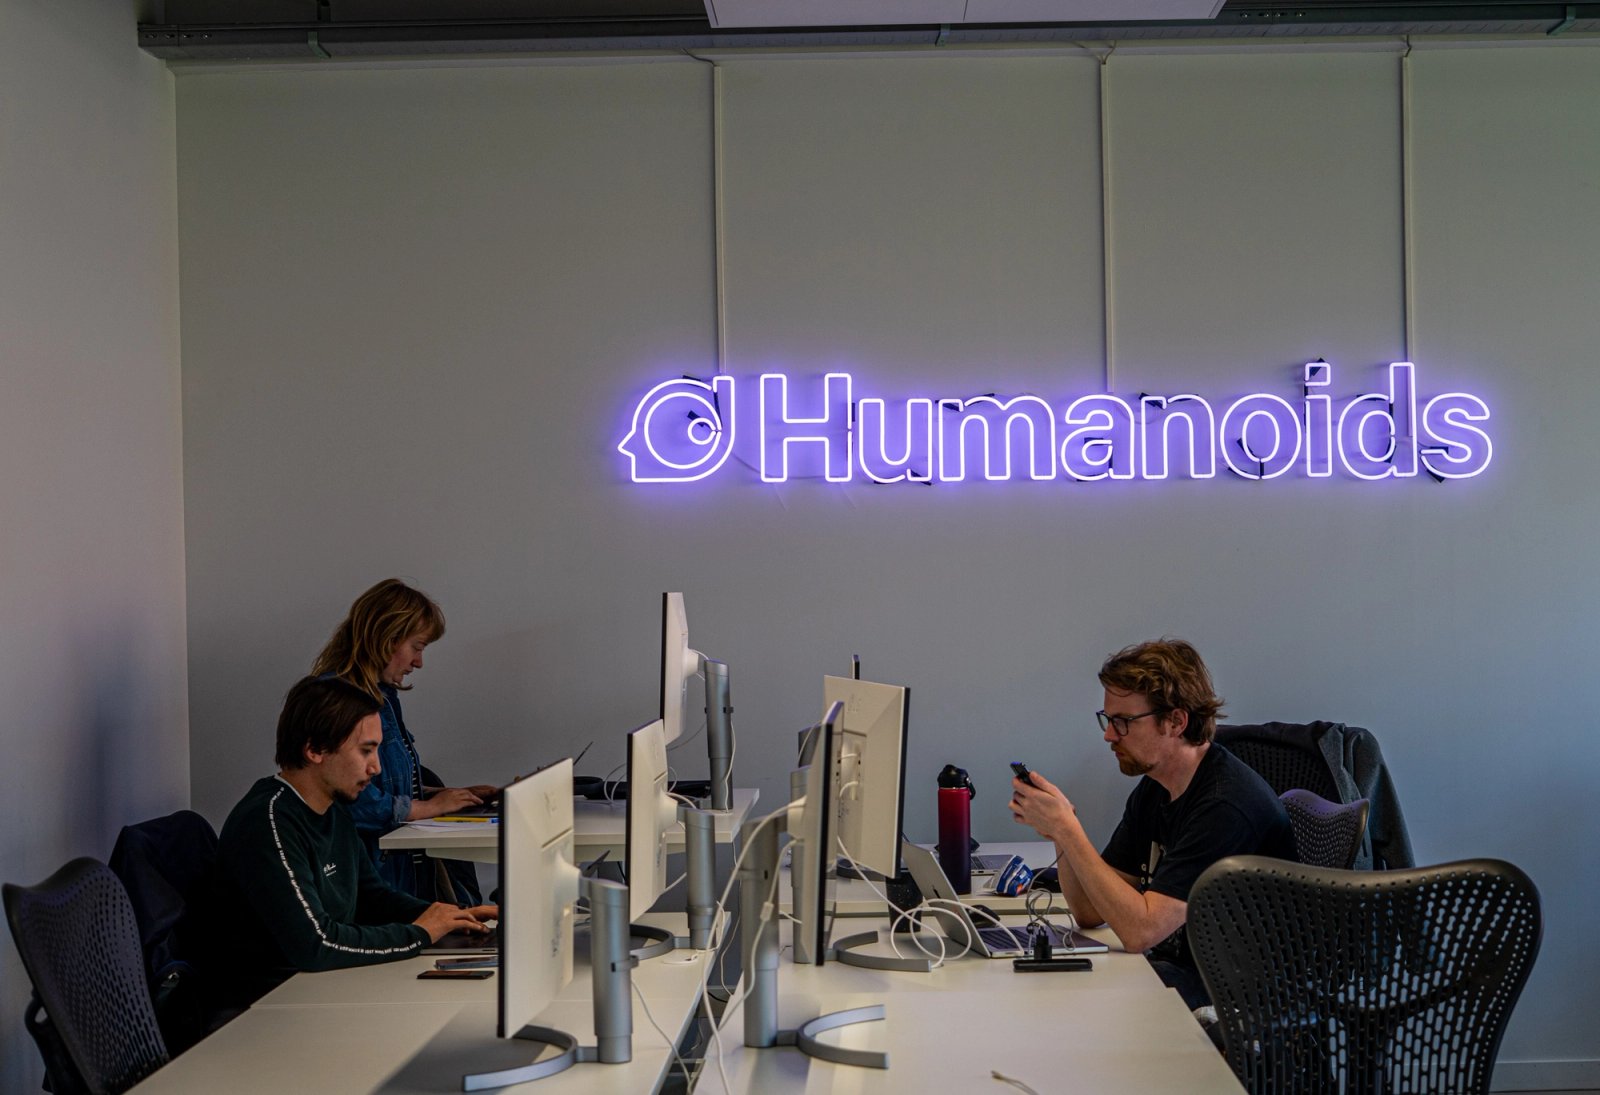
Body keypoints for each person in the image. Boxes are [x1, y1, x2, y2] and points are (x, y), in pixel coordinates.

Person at [1009, 638, 1296, 1009]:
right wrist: (1060, 831)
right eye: (1108, 719)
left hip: (1236, 994)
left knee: (1072, 1004)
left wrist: (1068, 829)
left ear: (1176, 721)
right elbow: (1090, 912)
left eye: (1123, 722)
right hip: (1179, 968)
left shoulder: (1224, 805)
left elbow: (1139, 932)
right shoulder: (1156, 788)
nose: (1109, 735)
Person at [203, 676, 494, 1010]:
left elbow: (371, 896)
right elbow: (317, 945)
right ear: (314, 749)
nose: (376, 767)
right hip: (271, 1008)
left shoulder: (334, 808)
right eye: (366, 750)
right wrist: (420, 933)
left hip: (321, 989)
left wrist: (445, 917)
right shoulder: (268, 822)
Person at [311, 578, 496, 900]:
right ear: (385, 638)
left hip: (397, 871)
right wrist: (427, 807)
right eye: (417, 647)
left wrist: (444, 795)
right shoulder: (337, 700)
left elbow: (378, 781)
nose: (419, 662)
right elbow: (352, 804)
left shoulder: (383, 697)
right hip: (369, 877)